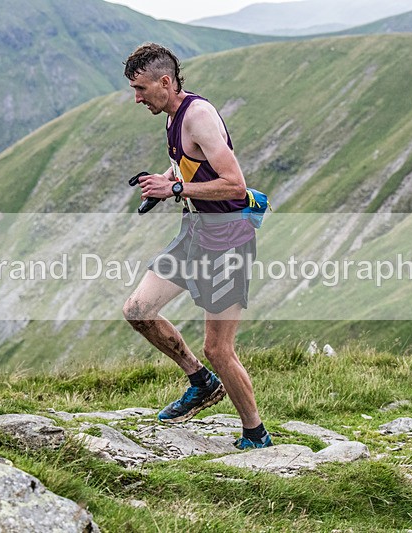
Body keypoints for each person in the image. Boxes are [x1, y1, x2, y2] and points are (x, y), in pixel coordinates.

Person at [122, 43, 272, 450]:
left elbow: (234, 184)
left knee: (218, 348)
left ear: (165, 82)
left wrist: (175, 188)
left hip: (228, 240)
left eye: (141, 89)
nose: (137, 98)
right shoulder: (171, 116)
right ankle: (200, 381)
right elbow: (186, 165)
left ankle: (255, 435)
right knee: (137, 310)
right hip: (195, 234)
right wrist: (163, 183)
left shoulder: (199, 115)